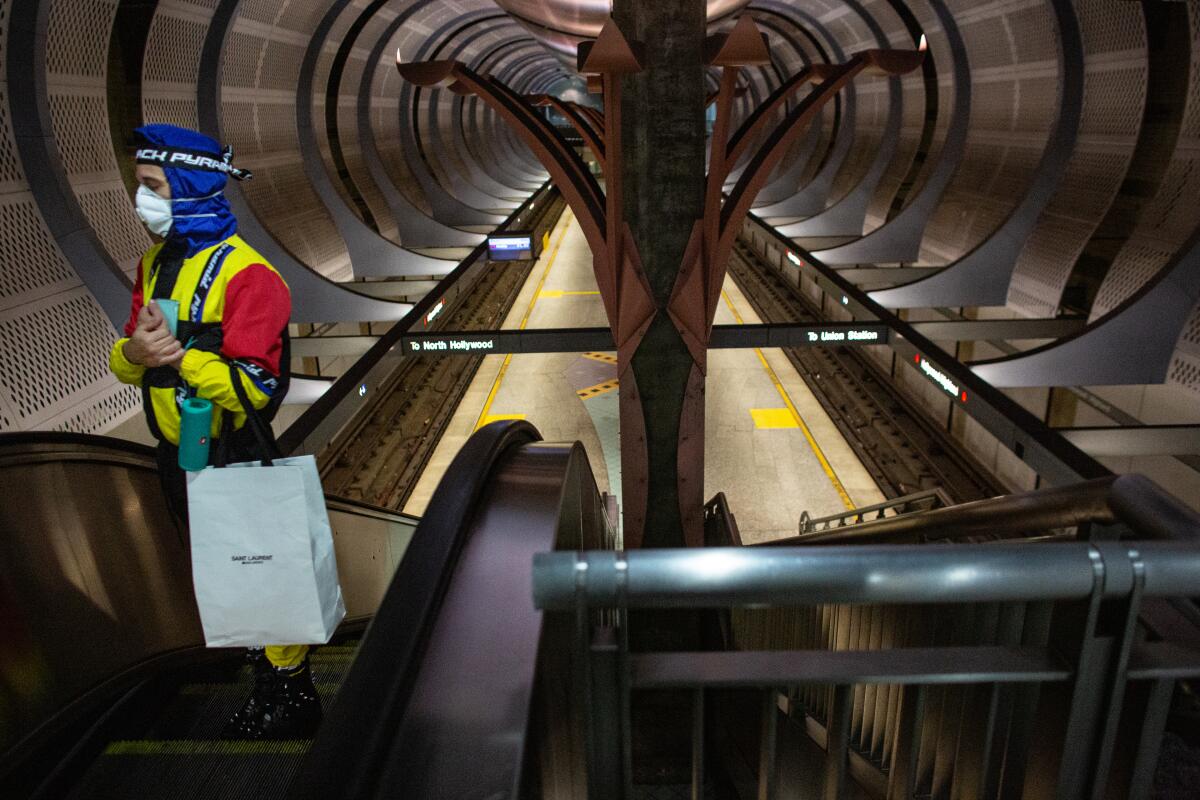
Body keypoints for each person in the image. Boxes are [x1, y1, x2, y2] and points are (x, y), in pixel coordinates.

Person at [108, 123, 320, 740]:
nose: (141, 201)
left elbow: (257, 387)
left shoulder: (249, 276)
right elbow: (127, 358)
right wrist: (139, 354)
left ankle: (291, 696)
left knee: (261, 571)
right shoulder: (153, 264)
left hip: (233, 452)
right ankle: (267, 678)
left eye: (152, 187)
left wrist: (177, 359)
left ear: (191, 187)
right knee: (226, 574)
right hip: (177, 453)